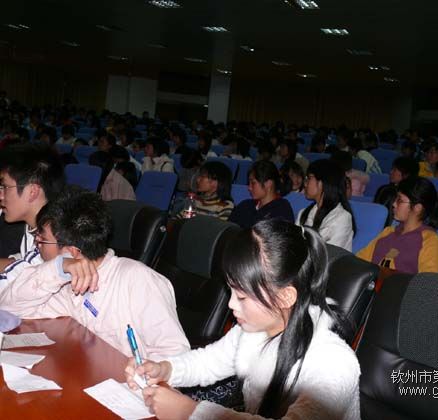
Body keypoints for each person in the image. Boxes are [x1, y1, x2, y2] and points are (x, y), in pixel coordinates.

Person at [124, 219, 360, 420]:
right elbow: (208, 362)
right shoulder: (256, 329)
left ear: (285, 296)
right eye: (231, 291)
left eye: (243, 296)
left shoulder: (334, 364)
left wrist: (190, 411)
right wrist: (165, 369)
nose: (230, 304)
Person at [0, 186, 189, 358]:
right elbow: (12, 308)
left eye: (42, 239)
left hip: (131, 388)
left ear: (72, 252)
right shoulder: (65, 281)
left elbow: (175, 356)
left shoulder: (138, 281)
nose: (37, 244)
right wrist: (58, 269)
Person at [0, 143, 65, 285]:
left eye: (5, 187)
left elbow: (32, 277)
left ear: (32, 192)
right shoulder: (34, 225)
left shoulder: (56, 240)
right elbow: (25, 262)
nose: (1, 195)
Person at [357, 176, 438, 274]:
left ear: (417, 208)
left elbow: (427, 281)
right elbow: (359, 261)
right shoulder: (388, 232)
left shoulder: (429, 239)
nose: (394, 204)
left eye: (400, 200)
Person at [296, 160, 355, 251]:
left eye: (309, 178)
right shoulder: (303, 213)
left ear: (322, 183)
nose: (305, 183)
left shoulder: (342, 218)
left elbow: (329, 257)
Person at [228, 161, 294, 228]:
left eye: (253, 183)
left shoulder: (282, 210)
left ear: (268, 184)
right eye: (249, 183)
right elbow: (228, 228)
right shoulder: (245, 205)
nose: (249, 188)